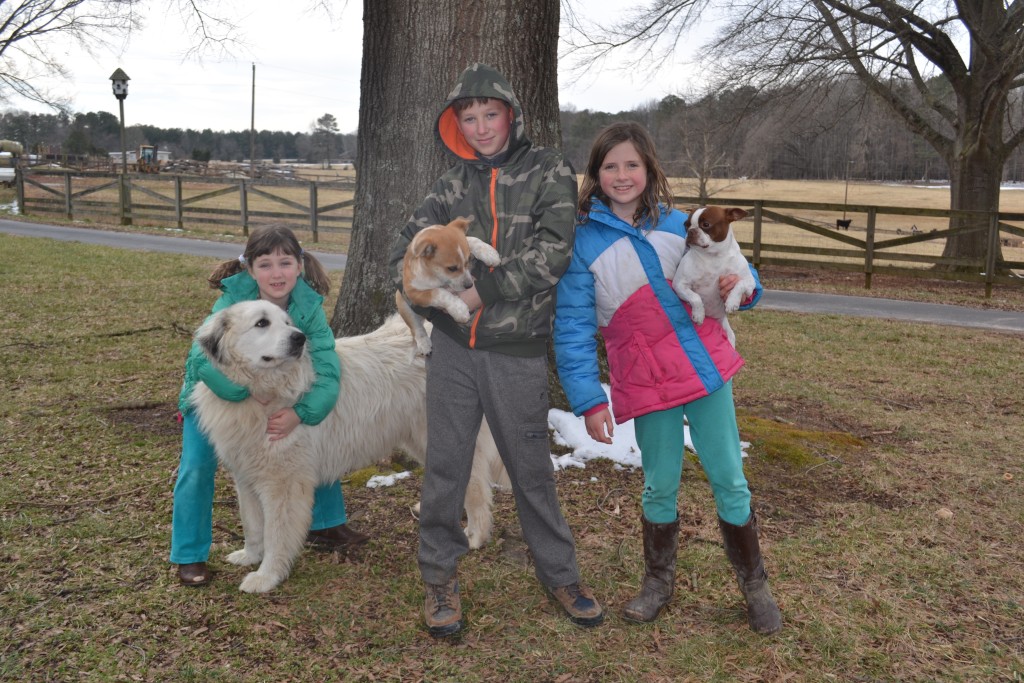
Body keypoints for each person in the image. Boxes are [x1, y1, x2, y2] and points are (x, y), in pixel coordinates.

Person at [388, 63, 603, 637]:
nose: (482, 127)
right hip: (453, 351)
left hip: (516, 350)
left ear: (511, 115)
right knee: (446, 469)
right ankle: (439, 581)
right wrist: (426, 292)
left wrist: (482, 291)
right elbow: (409, 251)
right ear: (456, 125)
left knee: (531, 471)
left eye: (491, 114)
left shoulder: (549, 168)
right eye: (469, 118)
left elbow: (554, 251)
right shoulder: (449, 186)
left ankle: (561, 574)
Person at [553, 122, 782, 634]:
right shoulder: (583, 244)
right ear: (595, 175)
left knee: (729, 477)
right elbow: (570, 328)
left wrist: (745, 288)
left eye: (632, 164)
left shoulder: (683, 224)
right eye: (610, 166)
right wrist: (589, 398)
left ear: (649, 168)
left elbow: (741, 268)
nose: (622, 174)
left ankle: (755, 586)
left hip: (705, 370)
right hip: (645, 380)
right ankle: (657, 583)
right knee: (659, 484)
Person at [171, 224, 368, 587]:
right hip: (215, 395)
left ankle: (322, 526)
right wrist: (242, 394)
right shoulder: (230, 305)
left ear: (299, 265)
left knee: (297, 452)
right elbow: (203, 360)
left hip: (273, 389)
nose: (276, 273)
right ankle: (190, 554)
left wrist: (301, 412)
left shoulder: (308, 308)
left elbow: (326, 369)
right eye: (266, 265)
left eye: (285, 263)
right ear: (250, 269)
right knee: (198, 467)